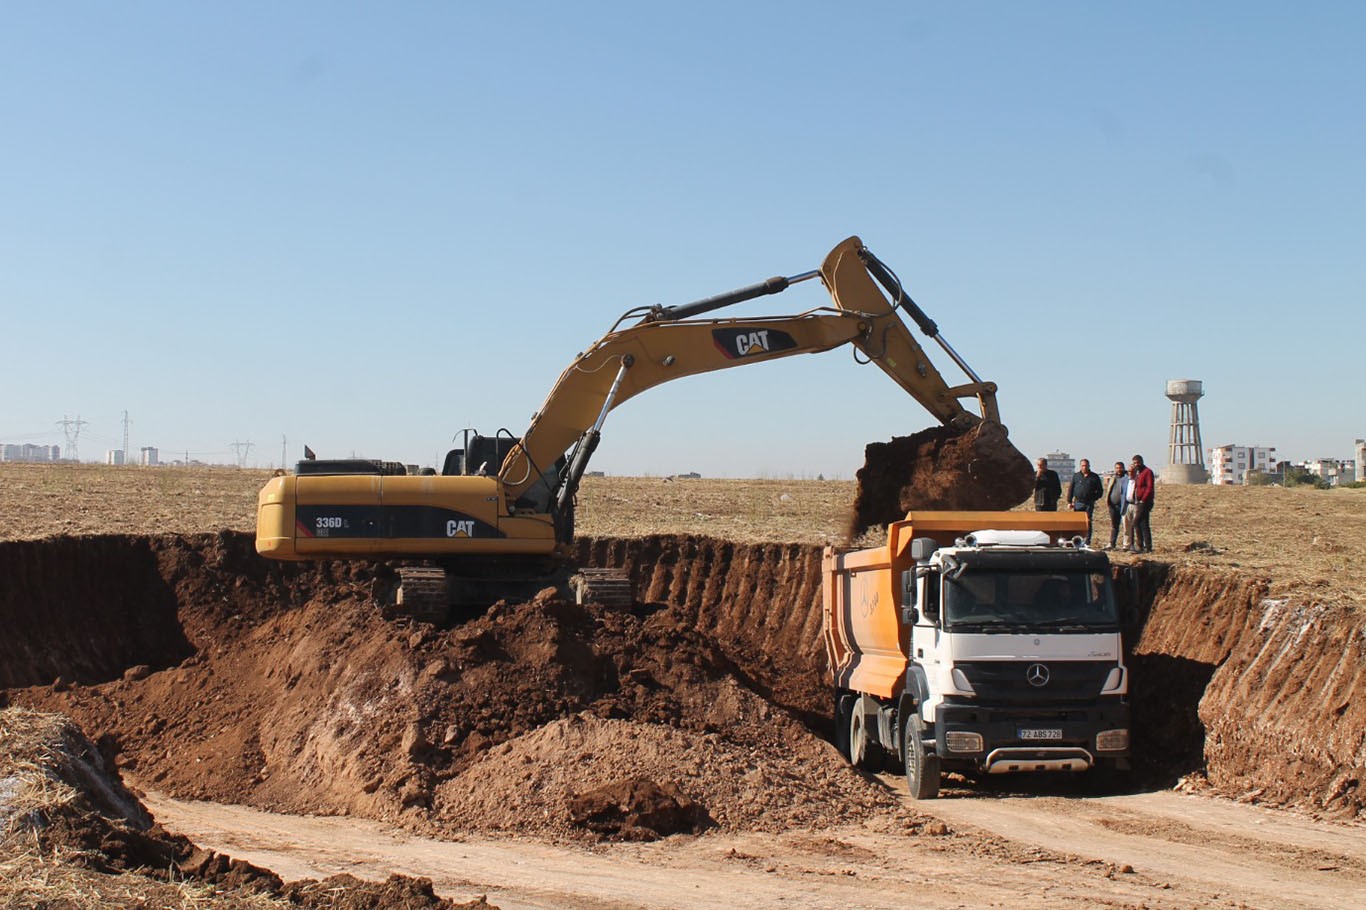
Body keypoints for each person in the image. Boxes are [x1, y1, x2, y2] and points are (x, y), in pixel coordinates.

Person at [1067, 459, 1104, 544]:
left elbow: (1100, 491)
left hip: (1089, 503)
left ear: (1089, 466)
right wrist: (1069, 501)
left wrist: (1093, 498)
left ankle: (1087, 541)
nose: (1084, 467)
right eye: (1083, 466)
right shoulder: (1076, 476)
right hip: (1078, 503)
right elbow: (1071, 489)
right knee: (1077, 522)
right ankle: (1077, 540)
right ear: (1080, 466)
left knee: (1088, 521)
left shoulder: (1094, 477)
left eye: (1086, 465)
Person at [1126, 454, 1156, 553]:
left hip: (1145, 502)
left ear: (1142, 462)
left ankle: (1139, 545)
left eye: (1138, 462)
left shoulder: (1147, 472)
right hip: (1138, 502)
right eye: (1134, 463)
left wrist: (1143, 499)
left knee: (1135, 522)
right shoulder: (1138, 473)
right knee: (1144, 524)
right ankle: (1147, 547)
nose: (1136, 464)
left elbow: (1149, 487)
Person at [1102, 462, 1130, 550]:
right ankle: (1112, 543)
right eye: (1117, 468)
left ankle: (1126, 545)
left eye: (1120, 468)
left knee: (1126, 526)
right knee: (1114, 525)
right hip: (1113, 506)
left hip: (1124, 506)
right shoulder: (1113, 478)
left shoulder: (1127, 478)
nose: (1118, 470)